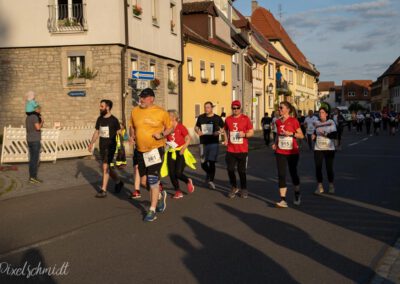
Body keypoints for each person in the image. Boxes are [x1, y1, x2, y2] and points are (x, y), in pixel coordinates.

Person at [129, 88, 173, 222]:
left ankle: (152, 210)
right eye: (141, 97)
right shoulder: (135, 111)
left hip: (155, 150)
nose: (141, 99)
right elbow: (132, 126)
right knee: (143, 182)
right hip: (140, 150)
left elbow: (170, 127)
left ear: (151, 99)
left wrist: (161, 135)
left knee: (153, 180)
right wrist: (131, 136)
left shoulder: (161, 112)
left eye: (144, 97)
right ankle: (159, 195)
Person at [88, 100, 124, 198]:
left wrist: (123, 146)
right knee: (108, 168)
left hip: (111, 147)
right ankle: (118, 181)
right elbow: (97, 132)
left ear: (107, 107)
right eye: (100, 106)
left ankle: (103, 190)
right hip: (102, 147)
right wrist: (91, 143)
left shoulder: (114, 120)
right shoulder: (100, 119)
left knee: (105, 167)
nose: (100, 108)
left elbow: (119, 133)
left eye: (102, 106)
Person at [272, 101, 304, 208]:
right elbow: (277, 135)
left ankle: (297, 193)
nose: (279, 110)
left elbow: (301, 135)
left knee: (293, 173)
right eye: (279, 108)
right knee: (281, 174)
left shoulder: (293, 121)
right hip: (280, 151)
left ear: (287, 109)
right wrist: (275, 143)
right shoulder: (277, 122)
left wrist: (292, 133)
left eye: (281, 108)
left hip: (292, 152)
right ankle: (283, 200)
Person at [223, 100, 254, 199]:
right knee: (230, 169)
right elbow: (225, 130)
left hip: (242, 150)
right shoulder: (228, 119)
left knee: (241, 171)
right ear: (232, 108)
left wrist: (244, 134)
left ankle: (244, 188)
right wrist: (226, 140)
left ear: (240, 108)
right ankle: (234, 187)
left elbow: (251, 132)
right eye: (233, 108)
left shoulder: (245, 119)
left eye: (237, 108)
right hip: (231, 149)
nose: (235, 110)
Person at [161, 110, 195, 199]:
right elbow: (164, 139)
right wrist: (164, 147)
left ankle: (187, 181)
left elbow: (188, 138)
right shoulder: (167, 128)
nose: (166, 119)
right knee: (172, 173)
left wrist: (183, 148)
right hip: (171, 151)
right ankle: (178, 191)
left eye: (168, 117)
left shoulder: (181, 127)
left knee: (178, 173)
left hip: (180, 151)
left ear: (174, 117)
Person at [195, 101, 224, 190]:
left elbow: (223, 129)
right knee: (203, 163)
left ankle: (211, 180)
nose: (206, 109)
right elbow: (196, 127)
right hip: (203, 143)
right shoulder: (201, 117)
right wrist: (198, 131)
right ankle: (209, 173)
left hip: (213, 143)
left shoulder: (217, 118)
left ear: (211, 108)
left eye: (208, 107)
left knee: (211, 162)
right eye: (205, 107)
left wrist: (218, 132)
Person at [313, 106, 337, 195]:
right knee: (318, 168)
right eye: (319, 113)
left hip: (329, 149)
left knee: (329, 168)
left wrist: (325, 133)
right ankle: (320, 186)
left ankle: (331, 185)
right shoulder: (316, 123)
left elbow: (334, 135)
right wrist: (313, 137)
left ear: (326, 114)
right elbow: (315, 133)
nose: (321, 114)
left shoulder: (331, 122)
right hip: (318, 148)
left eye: (322, 112)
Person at [26, 104, 44, 184]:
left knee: (32, 160)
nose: (40, 111)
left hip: (29, 139)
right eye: (40, 109)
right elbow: (38, 128)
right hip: (35, 140)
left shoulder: (28, 117)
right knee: (35, 160)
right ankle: (33, 178)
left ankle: (31, 178)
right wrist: (42, 122)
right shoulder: (35, 117)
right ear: (36, 109)